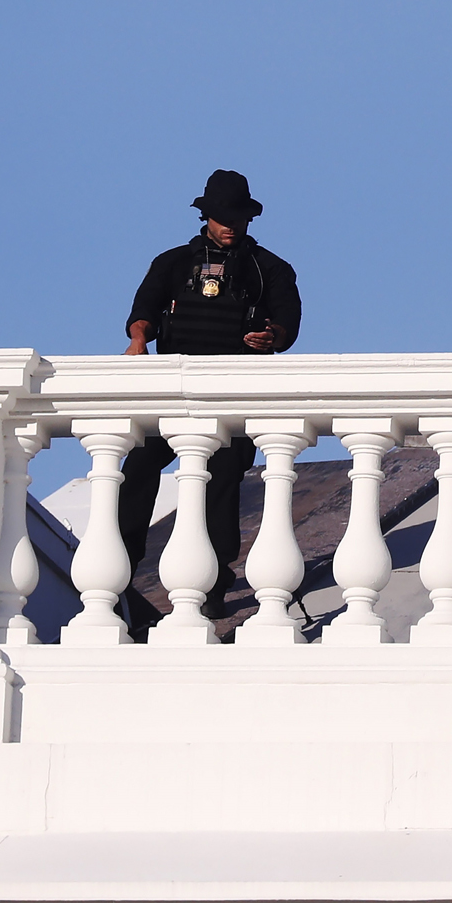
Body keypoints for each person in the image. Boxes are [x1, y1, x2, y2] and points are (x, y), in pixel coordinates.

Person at [118, 169, 302, 628]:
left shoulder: (270, 269)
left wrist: (271, 337)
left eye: (238, 217)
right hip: (174, 392)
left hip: (234, 396)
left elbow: (288, 327)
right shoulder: (172, 263)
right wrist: (138, 341)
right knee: (136, 472)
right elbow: (142, 314)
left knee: (220, 487)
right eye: (223, 217)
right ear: (207, 217)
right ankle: (118, 571)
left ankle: (214, 586)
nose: (230, 225)